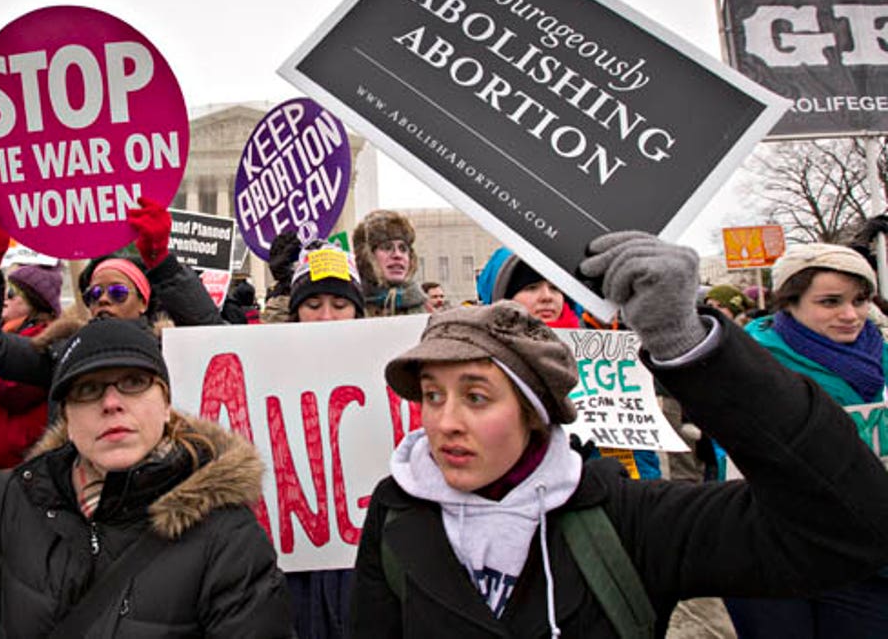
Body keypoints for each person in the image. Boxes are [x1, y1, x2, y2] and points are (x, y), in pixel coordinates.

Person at [349, 232, 888, 637]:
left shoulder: (628, 519)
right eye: (432, 395)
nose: (445, 422)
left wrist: (693, 350)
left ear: (534, 412)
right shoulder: (398, 514)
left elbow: (849, 523)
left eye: (476, 396)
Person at [0, 312, 293, 637]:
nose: (112, 402)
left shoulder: (229, 538)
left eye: (133, 382)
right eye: (87, 389)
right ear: (65, 413)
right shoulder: (21, 496)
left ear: (165, 403)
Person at [725, 242, 888, 638]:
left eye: (860, 300)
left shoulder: (882, 358)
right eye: (830, 302)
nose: (850, 315)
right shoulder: (749, 366)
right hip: (775, 558)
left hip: (868, 559)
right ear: (790, 304)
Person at [0, 198, 221, 394]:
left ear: (143, 303)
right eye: (94, 294)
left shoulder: (170, 351)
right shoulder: (63, 352)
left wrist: (163, 264)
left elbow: (216, 340)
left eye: (118, 293)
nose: (104, 300)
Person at [477, 248, 660, 479]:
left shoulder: (599, 354)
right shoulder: (483, 361)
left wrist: (633, 486)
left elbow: (634, 444)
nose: (547, 296)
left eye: (555, 287)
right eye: (531, 287)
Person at [281, 241, 364, 638]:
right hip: (292, 564)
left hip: (361, 564)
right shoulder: (268, 367)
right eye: (313, 305)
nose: (327, 316)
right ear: (295, 312)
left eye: (340, 303)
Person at [0, 263, 64, 471]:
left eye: (11, 293)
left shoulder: (41, 346)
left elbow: (3, 387)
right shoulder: (7, 340)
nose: (4, 298)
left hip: (21, 467)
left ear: (36, 304)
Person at [352, 210, 427, 317]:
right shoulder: (350, 308)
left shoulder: (426, 309)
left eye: (403, 248)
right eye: (387, 247)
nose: (397, 255)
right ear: (366, 257)